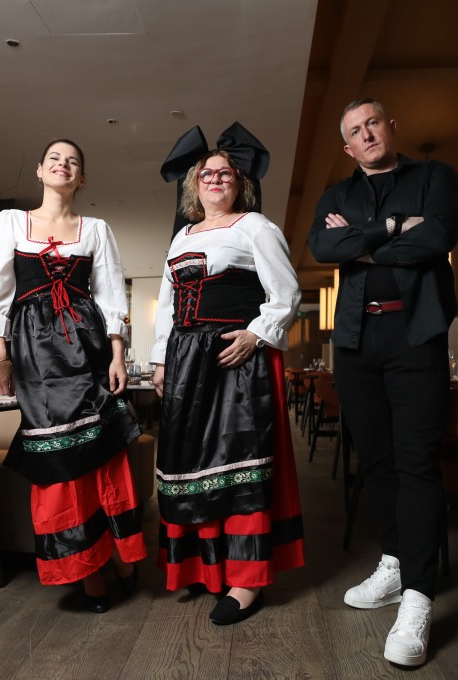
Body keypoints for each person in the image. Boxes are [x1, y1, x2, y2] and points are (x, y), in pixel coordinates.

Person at [307, 98, 458, 666]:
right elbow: (323, 247)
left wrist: (362, 242)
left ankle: (420, 597)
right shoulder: (336, 195)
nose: (366, 134)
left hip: (415, 335)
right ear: (347, 148)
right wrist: (394, 228)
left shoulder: (434, 177)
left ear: (391, 128)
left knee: (416, 461)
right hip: (354, 342)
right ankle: (395, 564)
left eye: (373, 122)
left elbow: (438, 237)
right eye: (354, 130)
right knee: (374, 460)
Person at [0, 138, 146, 613]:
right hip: (35, 353)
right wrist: (0, 356)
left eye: (72, 161)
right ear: (39, 170)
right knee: (58, 459)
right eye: (54, 158)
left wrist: (117, 355)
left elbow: (112, 294)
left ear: (82, 178)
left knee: (103, 451)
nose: (62, 165)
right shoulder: (10, 222)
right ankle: (89, 571)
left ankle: (119, 556)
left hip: (88, 345)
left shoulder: (96, 229)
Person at [151, 124, 304, 626]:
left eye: (226, 173)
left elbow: (285, 295)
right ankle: (205, 567)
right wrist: (160, 359)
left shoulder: (256, 227)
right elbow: (169, 305)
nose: (216, 179)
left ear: (240, 183)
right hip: (185, 362)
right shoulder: (181, 236)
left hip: (235, 361)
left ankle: (246, 580)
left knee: (239, 465)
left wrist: (255, 336)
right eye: (207, 173)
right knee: (192, 464)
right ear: (194, 184)